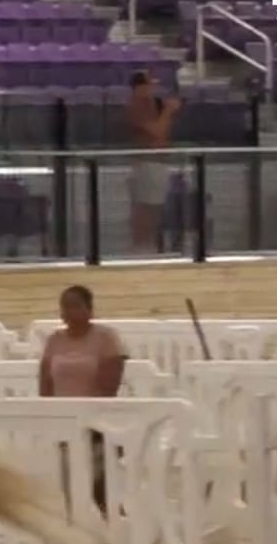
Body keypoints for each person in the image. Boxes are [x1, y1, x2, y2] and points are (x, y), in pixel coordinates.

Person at [39, 285, 126, 512]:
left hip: (97, 423)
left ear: (89, 309)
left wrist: (88, 416)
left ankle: (117, 524)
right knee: (65, 481)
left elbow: (110, 385)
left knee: (99, 483)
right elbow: (45, 381)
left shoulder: (107, 338)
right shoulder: (54, 340)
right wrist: (49, 414)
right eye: (64, 306)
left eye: (75, 305)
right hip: (62, 420)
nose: (68, 311)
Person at [127, 71, 181, 254]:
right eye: (150, 84)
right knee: (146, 207)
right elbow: (156, 132)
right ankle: (140, 246)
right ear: (140, 87)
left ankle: (147, 244)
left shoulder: (152, 105)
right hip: (147, 162)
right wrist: (168, 111)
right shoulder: (137, 106)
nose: (153, 88)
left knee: (154, 207)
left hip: (158, 161)